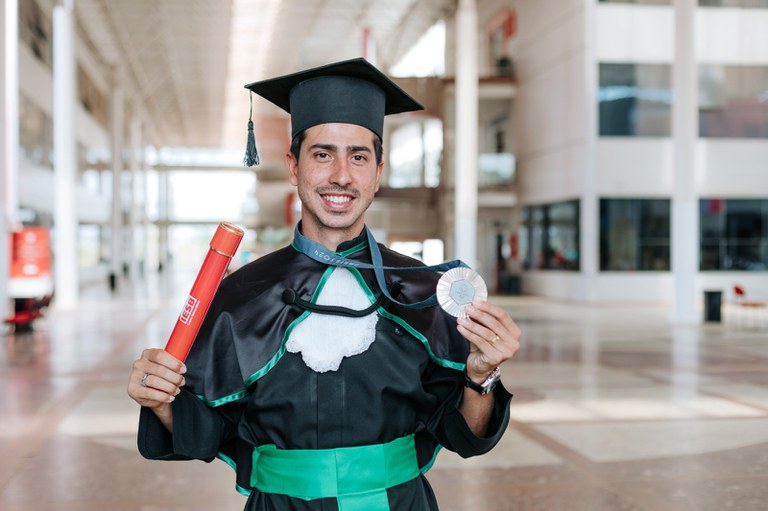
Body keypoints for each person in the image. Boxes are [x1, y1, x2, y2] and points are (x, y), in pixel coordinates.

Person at [127, 58, 521, 511]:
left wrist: (481, 376)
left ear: (378, 172)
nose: (341, 175)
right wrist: (158, 397)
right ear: (293, 166)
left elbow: (466, 436)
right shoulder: (240, 294)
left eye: (358, 156)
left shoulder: (419, 292)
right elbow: (204, 431)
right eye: (322, 154)